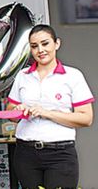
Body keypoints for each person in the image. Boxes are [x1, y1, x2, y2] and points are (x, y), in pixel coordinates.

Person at [6, 24, 94, 189]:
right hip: (25, 152)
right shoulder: (22, 76)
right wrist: (17, 111)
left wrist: (47, 113)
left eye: (45, 43)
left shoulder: (73, 76)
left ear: (57, 44)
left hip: (60, 153)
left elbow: (86, 118)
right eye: (34, 46)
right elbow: (10, 111)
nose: (40, 50)